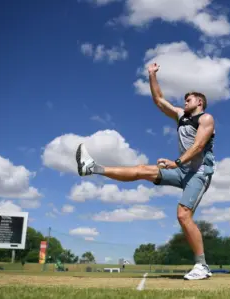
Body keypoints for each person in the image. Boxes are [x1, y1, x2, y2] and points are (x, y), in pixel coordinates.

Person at [76, 62, 216, 280]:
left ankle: (202, 266)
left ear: (199, 102)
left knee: (183, 215)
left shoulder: (206, 119)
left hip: (198, 173)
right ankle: (92, 168)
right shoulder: (181, 116)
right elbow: (159, 100)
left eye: (188, 99)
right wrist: (152, 75)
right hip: (181, 169)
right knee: (142, 170)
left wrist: (176, 162)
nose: (184, 101)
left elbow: (198, 146)